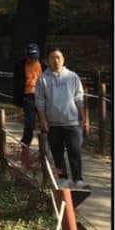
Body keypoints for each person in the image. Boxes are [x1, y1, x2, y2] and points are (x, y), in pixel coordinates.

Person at [35, 48, 89, 189]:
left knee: (74, 151)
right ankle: (63, 178)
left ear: (63, 59)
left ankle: (78, 179)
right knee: (57, 152)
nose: (56, 60)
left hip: (72, 121)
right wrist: (42, 119)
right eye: (52, 57)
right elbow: (40, 101)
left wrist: (83, 117)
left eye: (58, 57)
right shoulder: (42, 79)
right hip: (53, 123)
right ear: (48, 60)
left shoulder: (72, 77)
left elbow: (79, 98)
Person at [13, 42, 48, 167]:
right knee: (30, 124)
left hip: (43, 96)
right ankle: (25, 149)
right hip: (28, 96)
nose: (32, 59)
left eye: (34, 57)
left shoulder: (43, 65)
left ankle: (45, 152)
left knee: (45, 124)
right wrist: (17, 101)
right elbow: (16, 84)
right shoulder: (19, 65)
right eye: (30, 57)